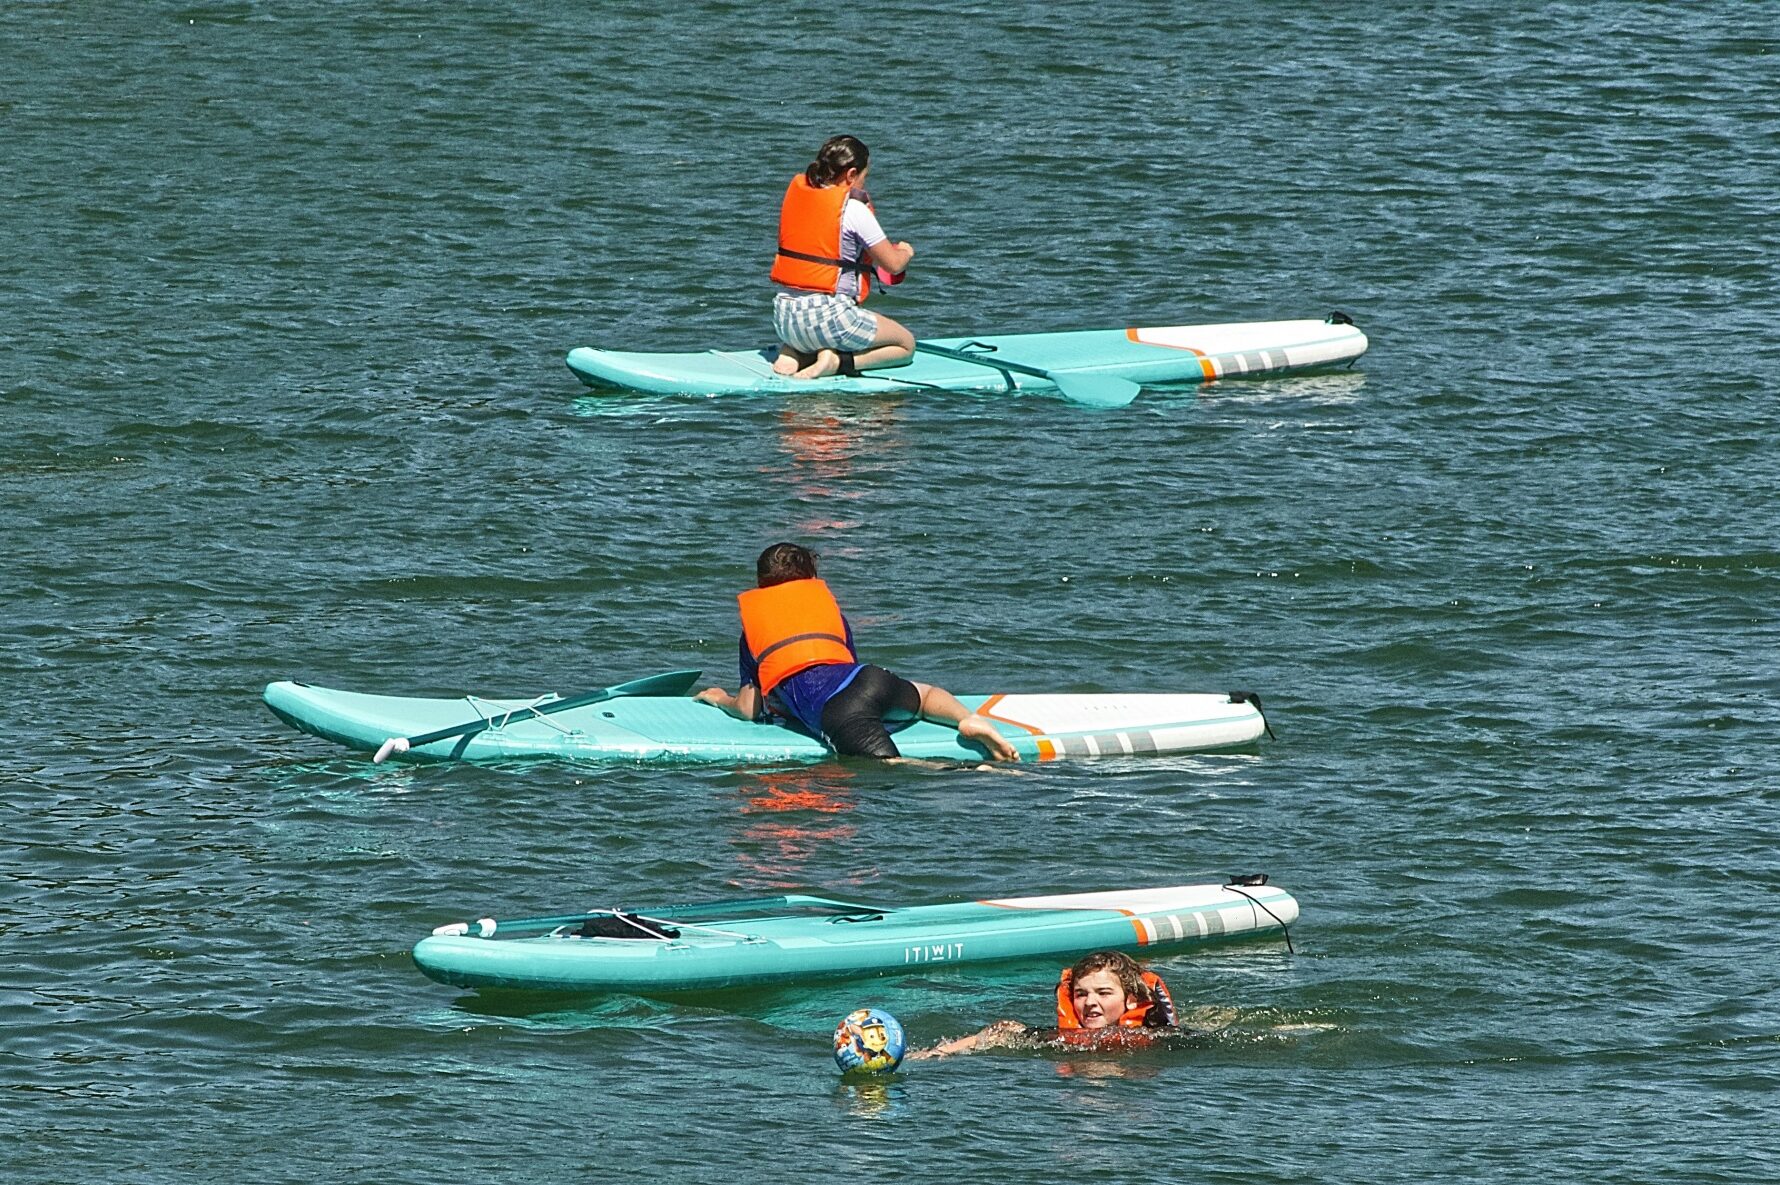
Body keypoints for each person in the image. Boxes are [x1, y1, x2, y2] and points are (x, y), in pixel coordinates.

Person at [694, 543, 1019, 762]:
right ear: (811, 581)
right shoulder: (831, 616)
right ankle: (967, 719)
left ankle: (973, 773)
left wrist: (718, 698)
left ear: (761, 584)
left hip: (842, 710)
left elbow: (749, 708)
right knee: (925, 695)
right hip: (873, 679)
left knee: (890, 767)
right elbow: (842, 664)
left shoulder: (754, 632)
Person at [769, 135, 916, 381]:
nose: (864, 185)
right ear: (851, 175)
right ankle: (837, 362)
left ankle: (796, 351)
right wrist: (906, 252)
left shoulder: (798, 199)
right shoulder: (854, 209)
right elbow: (893, 264)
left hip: (784, 318)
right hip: (829, 318)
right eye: (864, 178)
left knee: (820, 328)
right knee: (905, 345)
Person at [906, 950, 1181, 1060]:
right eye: (1081, 994)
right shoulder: (1057, 1039)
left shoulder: (1157, 1039)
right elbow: (1001, 1031)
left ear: (1130, 999)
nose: (1090, 1003)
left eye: (1104, 993)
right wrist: (939, 1052)